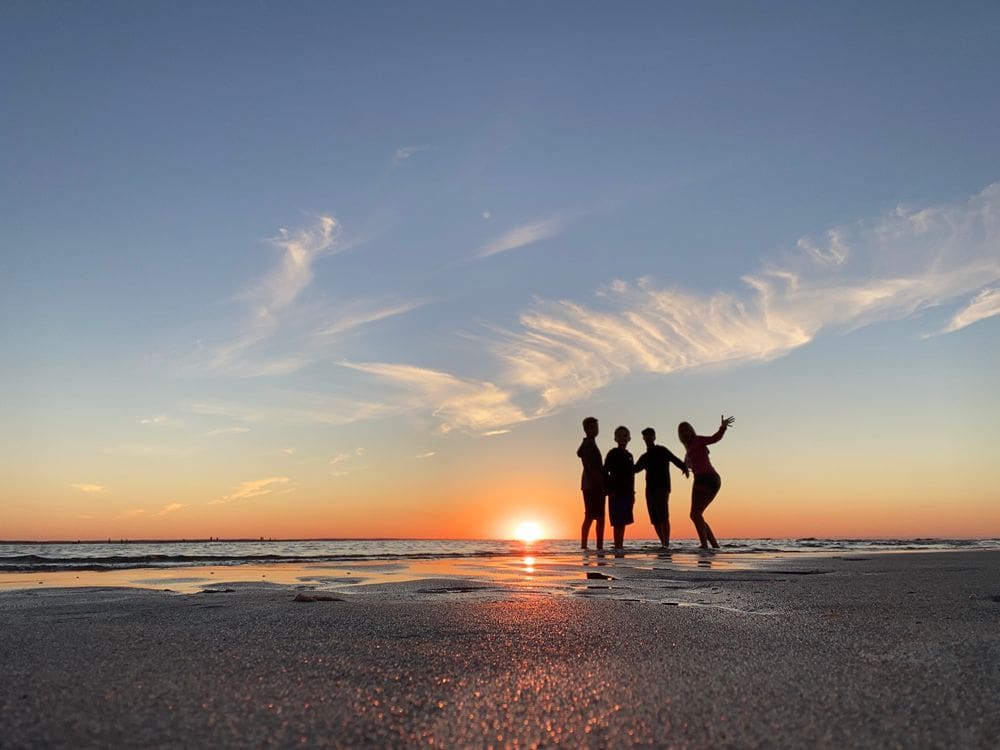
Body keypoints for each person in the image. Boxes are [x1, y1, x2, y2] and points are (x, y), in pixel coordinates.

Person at [678, 415, 734, 549]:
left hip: (705, 478)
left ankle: (704, 545)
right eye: (682, 431)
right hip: (712, 479)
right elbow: (691, 464)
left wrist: (723, 427)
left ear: (692, 431)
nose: (685, 432)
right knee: (697, 515)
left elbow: (714, 438)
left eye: (687, 429)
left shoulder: (698, 440)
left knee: (695, 514)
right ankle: (714, 545)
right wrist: (685, 468)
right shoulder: (689, 449)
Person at [634, 427, 688, 548]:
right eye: (646, 436)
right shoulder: (645, 456)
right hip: (650, 489)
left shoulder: (662, 450)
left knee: (663, 515)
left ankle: (666, 544)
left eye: (650, 435)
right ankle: (663, 543)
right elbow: (635, 469)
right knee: (654, 518)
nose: (648, 438)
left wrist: (684, 467)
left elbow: (674, 459)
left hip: (662, 487)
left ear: (654, 437)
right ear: (643, 438)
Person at [604, 426, 636, 551]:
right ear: (615, 438)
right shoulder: (612, 453)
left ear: (629, 438)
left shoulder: (629, 455)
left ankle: (620, 545)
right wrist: (609, 490)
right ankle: (617, 545)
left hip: (627, 493)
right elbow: (605, 471)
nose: (622, 438)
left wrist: (633, 493)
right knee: (617, 522)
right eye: (619, 436)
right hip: (615, 493)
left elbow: (632, 475)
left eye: (624, 436)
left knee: (623, 522)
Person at [577, 416, 605, 551]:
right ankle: (594, 546)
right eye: (592, 427)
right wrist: (601, 483)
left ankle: (589, 545)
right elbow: (590, 467)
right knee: (596, 516)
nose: (595, 430)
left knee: (593, 516)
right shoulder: (588, 444)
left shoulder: (589, 443)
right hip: (592, 485)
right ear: (586, 429)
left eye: (596, 427)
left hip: (590, 484)